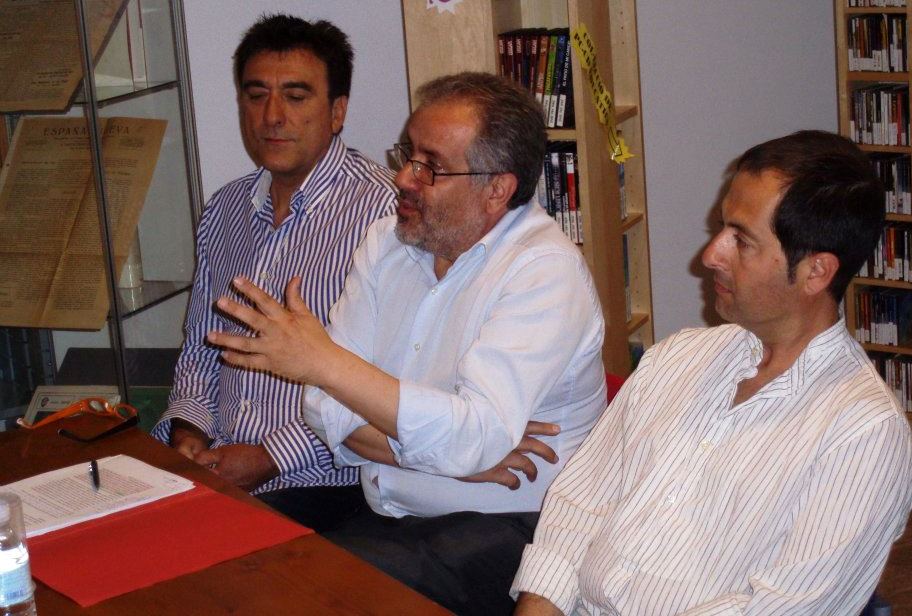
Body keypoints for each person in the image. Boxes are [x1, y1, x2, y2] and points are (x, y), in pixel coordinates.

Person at [208, 72, 606, 615]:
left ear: (497, 189)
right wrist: (448, 458)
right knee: (229, 556)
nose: (403, 177)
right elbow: (324, 411)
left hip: (511, 528)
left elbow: (467, 437)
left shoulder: (544, 272)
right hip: (385, 508)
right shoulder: (387, 242)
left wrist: (326, 365)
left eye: (430, 166)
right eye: (407, 154)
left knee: (305, 593)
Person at [511, 130, 912, 615]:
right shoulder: (677, 358)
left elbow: (780, 609)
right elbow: (576, 511)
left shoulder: (864, 435)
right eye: (722, 227)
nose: (711, 255)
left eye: (741, 240)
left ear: (815, 272)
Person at [151, 14, 396, 532]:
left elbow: (387, 381)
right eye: (256, 94)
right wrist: (188, 431)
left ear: (337, 111)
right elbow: (200, 348)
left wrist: (269, 456)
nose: (273, 116)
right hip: (215, 467)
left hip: (324, 483)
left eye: (296, 96)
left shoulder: (386, 213)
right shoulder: (225, 209)